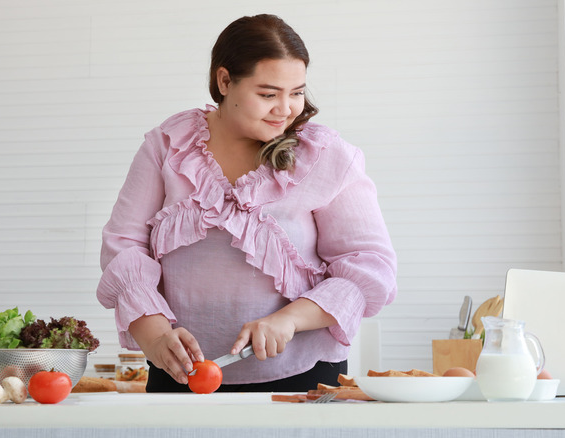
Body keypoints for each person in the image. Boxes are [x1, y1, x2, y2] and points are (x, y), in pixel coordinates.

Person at [97, 14, 397, 393]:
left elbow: (370, 265)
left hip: (301, 374)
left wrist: (289, 320)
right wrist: (156, 337)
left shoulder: (326, 157)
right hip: (180, 370)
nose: (286, 109)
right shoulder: (168, 146)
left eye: (297, 92)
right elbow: (123, 246)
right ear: (224, 81)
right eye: (268, 94)